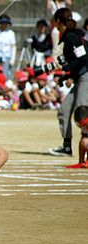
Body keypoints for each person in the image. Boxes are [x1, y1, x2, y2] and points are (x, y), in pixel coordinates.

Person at [48, 8, 88, 157]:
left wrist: (66, 69)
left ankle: (86, 145)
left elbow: (83, 59)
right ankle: (66, 147)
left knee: (82, 114)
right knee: (64, 111)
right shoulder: (70, 36)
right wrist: (67, 75)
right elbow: (78, 62)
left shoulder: (72, 37)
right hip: (79, 78)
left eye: (55, 22)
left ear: (58, 22)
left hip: (86, 77)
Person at [0, 15, 16, 80]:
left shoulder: (11, 33)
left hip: (6, 56)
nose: (4, 25)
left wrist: (12, 59)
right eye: (3, 23)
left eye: (6, 24)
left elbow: (13, 47)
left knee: (5, 74)